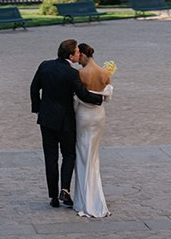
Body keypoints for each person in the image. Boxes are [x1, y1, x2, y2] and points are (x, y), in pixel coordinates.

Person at [30, 39, 103, 209]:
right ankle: (65, 189)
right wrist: (101, 97)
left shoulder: (45, 66)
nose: (79, 54)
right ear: (71, 55)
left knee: (50, 158)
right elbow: (83, 95)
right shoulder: (72, 74)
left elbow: (34, 88)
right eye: (77, 52)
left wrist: (38, 109)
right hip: (65, 121)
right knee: (69, 154)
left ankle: (53, 197)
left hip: (46, 119)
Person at [73, 42, 113, 218]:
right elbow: (107, 97)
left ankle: (84, 199)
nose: (76, 60)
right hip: (99, 116)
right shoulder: (105, 73)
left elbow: (76, 97)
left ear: (82, 55)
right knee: (93, 155)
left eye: (77, 56)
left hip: (83, 115)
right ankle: (94, 196)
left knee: (82, 154)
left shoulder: (81, 73)